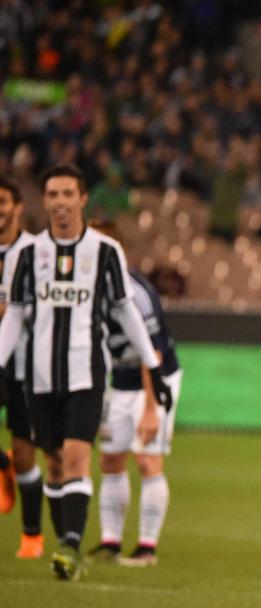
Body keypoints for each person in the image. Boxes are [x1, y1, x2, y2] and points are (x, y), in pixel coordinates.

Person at [0, 164, 172, 582]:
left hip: (87, 373)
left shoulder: (105, 252)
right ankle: (65, 542)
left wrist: (152, 362)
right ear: (44, 201)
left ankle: (71, 548)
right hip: (38, 376)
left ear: (81, 199)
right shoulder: (27, 255)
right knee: (54, 463)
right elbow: (16, 316)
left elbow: (124, 309)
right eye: (52, 194)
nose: (59, 202)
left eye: (67, 194)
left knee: (78, 457)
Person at [89, 221, 183, 567]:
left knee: (146, 459)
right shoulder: (89, 289)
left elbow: (152, 354)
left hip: (156, 382)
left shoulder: (136, 293)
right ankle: (111, 541)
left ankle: (147, 548)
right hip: (119, 383)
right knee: (111, 459)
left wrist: (149, 408)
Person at [0, 175, 44, 559]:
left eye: (2, 201)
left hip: (23, 363)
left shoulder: (33, 251)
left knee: (26, 454)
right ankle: (2, 466)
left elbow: (41, 310)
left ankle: (32, 535)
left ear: (17, 207)